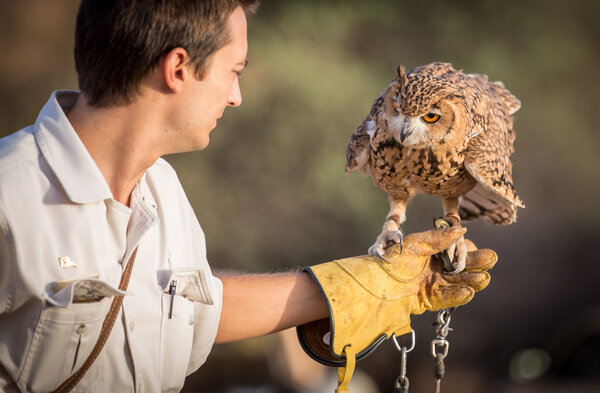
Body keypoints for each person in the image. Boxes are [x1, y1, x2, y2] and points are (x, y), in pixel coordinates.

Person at [0, 1, 496, 392]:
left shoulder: (164, 193)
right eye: (234, 70)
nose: (236, 96)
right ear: (177, 68)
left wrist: (369, 283)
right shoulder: (10, 194)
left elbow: (197, 308)